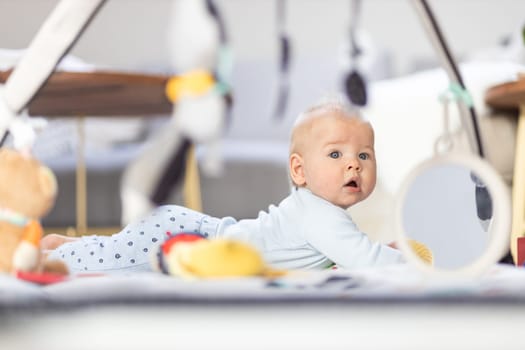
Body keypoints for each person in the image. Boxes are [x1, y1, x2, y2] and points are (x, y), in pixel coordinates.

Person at [43, 96, 403, 274]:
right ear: (299, 170)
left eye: (365, 156)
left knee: (114, 252)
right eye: (336, 155)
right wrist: (405, 260)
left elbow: (339, 257)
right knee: (107, 267)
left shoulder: (316, 211)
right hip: (186, 241)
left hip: (190, 230)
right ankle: (47, 257)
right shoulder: (321, 214)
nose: (354, 164)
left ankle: (68, 243)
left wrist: (375, 250)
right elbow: (367, 262)